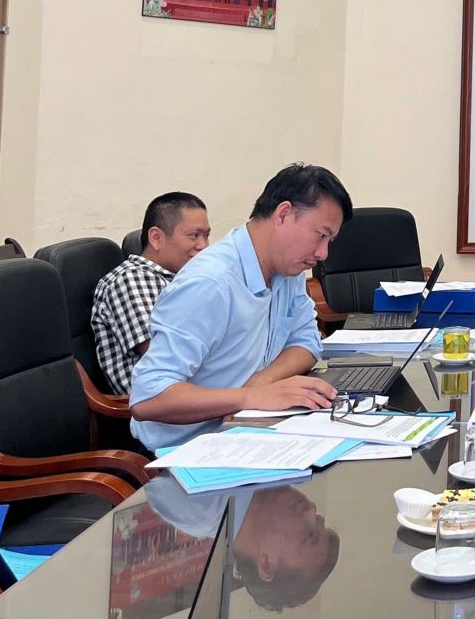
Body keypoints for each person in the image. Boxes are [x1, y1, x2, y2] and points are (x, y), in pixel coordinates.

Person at [129, 164, 352, 450]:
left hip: (249, 427)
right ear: (283, 214)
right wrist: (249, 397)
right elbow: (148, 398)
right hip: (189, 449)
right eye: (321, 235)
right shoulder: (210, 283)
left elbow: (307, 341)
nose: (323, 253)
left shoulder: (288, 269)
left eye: (330, 240)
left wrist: (262, 383)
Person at [144, 479, 340, 611]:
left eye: (307, 536)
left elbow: (149, 434)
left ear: (266, 563)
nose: (311, 510)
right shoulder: (283, 470)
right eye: (318, 518)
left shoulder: (200, 506)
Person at [91, 191, 211, 394]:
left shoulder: (182, 277)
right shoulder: (130, 280)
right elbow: (165, 357)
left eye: (206, 235)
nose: (204, 246)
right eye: (194, 236)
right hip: (161, 401)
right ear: (156, 238)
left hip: (198, 391)